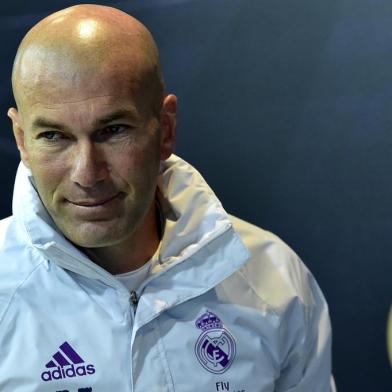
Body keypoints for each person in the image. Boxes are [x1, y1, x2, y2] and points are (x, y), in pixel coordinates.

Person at [0, 4, 335, 391]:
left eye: (113, 130)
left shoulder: (274, 279)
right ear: (22, 139)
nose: (87, 174)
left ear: (165, 129)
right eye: (54, 136)